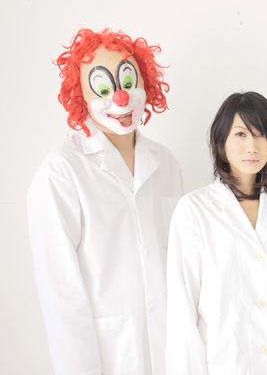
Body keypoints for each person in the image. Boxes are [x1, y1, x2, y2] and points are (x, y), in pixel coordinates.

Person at [27, 29, 183, 375]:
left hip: (171, 355)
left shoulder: (167, 164)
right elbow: (62, 298)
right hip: (109, 360)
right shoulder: (61, 173)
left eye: (128, 83)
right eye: (103, 89)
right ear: (80, 97)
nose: (120, 98)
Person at [166, 92, 267, 374]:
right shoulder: (194, 210)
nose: (252, 146)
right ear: (221, 141)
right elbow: (181, 311)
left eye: (262, 134)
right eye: (240, 134)